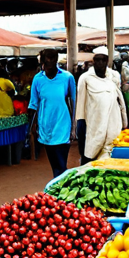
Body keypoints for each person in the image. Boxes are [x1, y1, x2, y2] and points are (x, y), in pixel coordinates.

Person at [28, 49, 77, 177]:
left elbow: (73, 102)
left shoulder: (67, 77)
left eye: (52, 60)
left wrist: (74, 127)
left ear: (56, 60)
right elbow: (33, 104)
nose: (49, 63)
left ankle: (60, 191)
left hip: (63, 126)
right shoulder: (38, 79)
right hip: (45, 127)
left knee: (61, 165)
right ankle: (59, 189)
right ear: (42, 62)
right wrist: (31, 127)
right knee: (55, 165)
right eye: (46, 61)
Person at [75, 46, 127, 163]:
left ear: (107, 61)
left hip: (112, 130)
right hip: (93, 129)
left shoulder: (112, 79)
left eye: (103, 60)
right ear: (93, 61)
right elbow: (80, 108)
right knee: (89, 162)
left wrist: (124, 123)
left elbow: (119, 103)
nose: (100, 63)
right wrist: (80, 127)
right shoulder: (85, 78)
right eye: (97, 60)